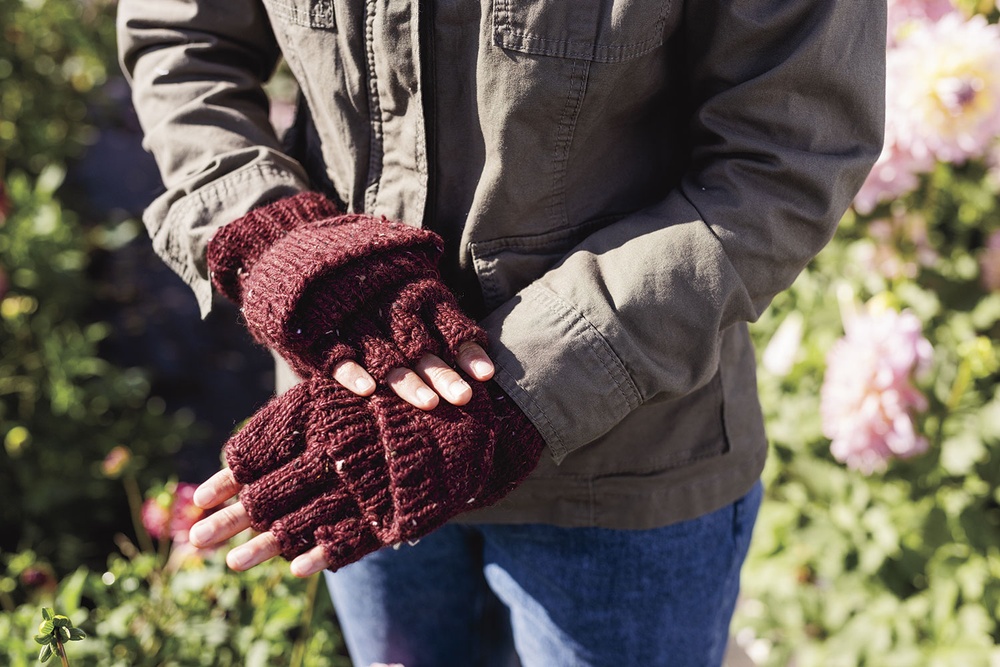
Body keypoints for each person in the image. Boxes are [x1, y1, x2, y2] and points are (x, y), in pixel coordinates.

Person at [117, 1, 885, 664]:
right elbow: (181, 40)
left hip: (624, 476)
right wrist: (269, 233)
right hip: (354, 435)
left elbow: (786, 157)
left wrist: (524, 388)